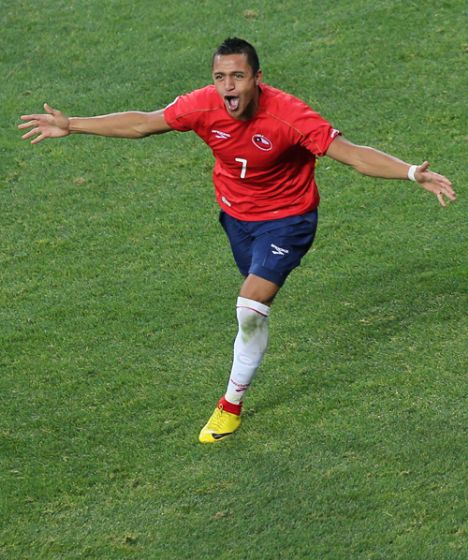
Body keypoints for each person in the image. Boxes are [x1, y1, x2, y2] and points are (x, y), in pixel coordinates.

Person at [19, 37, 456, 444]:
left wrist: (410, 173)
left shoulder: (289, 116)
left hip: (288, 221)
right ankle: (252, 330)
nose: (228, 86)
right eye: (220, 77)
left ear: (257, 79)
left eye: (238, 76)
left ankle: (229, 406)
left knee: (249, 305)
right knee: (254, 309)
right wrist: (73, 125)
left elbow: (354, 155)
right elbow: (143, 124)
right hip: (236, 220)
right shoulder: (202, 105)